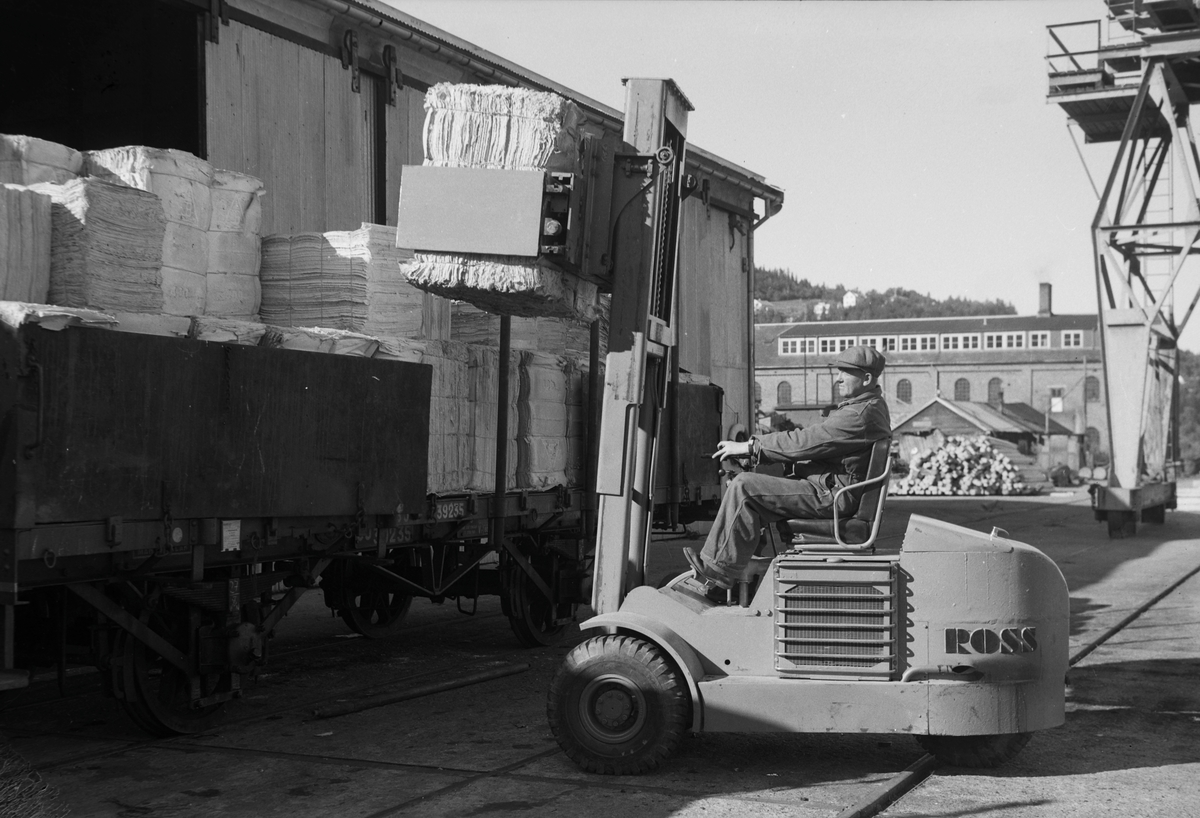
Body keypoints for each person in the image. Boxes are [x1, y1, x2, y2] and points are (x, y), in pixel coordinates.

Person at [684, 345, 892, 589]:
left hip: (832, 497)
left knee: (744, 487)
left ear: (866, 378)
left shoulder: (860, 414)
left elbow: (809, 442)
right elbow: (818, 446)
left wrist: (751, 447)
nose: (838, 378)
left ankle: (717, 572)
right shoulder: (867, 407)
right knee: (757, 484)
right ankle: (742, 574)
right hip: (832, 489)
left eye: (845, 372)